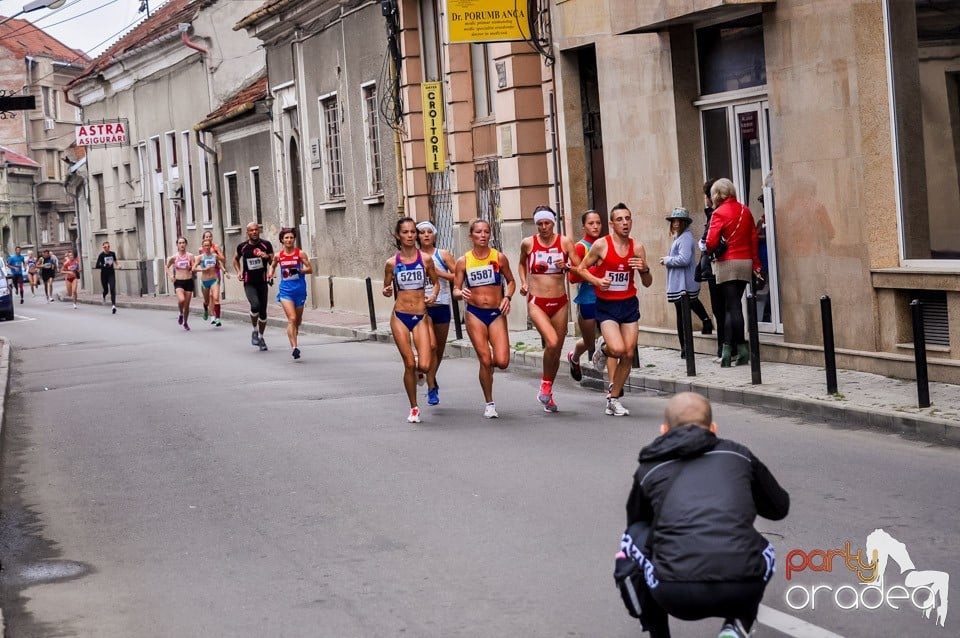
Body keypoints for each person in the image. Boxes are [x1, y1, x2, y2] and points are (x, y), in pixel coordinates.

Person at [622, 392, 789, 638]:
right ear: (713, 428)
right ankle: (738, 624)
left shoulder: (649, 467)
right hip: (741, 587)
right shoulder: (739, 454)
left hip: (675, 593)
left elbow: (636, 523)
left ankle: (658, 633)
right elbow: (778, 509)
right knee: (765, 549)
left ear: (664, 430)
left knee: (630, 539)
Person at [575, 203, 653, 417]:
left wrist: (645, 269)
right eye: (620, 219)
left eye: (628, 218)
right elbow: (580, 269)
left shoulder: (637, 247)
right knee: (617, 350)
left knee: (628, 353)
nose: (625, 223)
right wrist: (597, 281)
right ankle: (603, 349)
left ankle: (613, 399)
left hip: (628, 305)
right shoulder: (601, 245)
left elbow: (647, 282)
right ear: (611, 224)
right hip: (607, 306)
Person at [453, 218, 517, 419]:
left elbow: (511, 281)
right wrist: (460, 293)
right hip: (475, 313)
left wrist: (507, 297)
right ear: (470, 235)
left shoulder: (499, 258)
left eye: (486, 232)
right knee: (485, 359)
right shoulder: (463, 261)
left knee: (502, 361)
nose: (483, 235)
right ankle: (490, 403)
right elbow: (455, 288)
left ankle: (489, 367)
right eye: (478, 232)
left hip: (496, 313)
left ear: (490, 234)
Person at [517, 205, 579, 412]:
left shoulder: (565, 242)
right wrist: (524, 283)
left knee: (555, 350)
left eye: (547, 223)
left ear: (553, 222)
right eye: (539, 224)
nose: (543, 227)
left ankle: (548, 393)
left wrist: (568, 267)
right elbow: (521, 264)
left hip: (560, 302)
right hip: (537, 302)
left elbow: (579, 269)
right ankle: (544, 384)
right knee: (551, 341)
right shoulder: (528, 243)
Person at [383, 217, 439, 423]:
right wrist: (387, 290)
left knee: (423, 365)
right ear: (399, 235)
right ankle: (414, 407)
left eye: (412, 232)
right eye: (405, 232)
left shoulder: (425, 259)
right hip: (399, 315)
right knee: (409, 362)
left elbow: (435, 283)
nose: (409, 236)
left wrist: (433, 294)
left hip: (420, 315)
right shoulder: (391, 263)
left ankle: (421, 374)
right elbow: (386, 288)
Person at [705, 178, 761, 367]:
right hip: (745, 261)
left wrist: (709, 247)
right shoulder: (746, 210)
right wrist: (756, 264)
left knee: (732, 307)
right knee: (734, 304)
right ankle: (732, 349)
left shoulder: (718, 213)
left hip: (727, 262)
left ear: (716, 194)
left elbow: (711, 242)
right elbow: (753, 238)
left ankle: (736, 349)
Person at [659, 207, 713, 358]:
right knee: (689, 306)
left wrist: (667, 260)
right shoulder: (680, 237)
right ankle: (705, 323)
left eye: (679, 221)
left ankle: (686, 348)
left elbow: (684, 259)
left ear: (684, 223)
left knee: (682, 316)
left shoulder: (685, 238)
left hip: (683, 283)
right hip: (682, 282)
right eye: (674, 221)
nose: (675, 224)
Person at [416, 220, 456, 405]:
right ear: (417, 236)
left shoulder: (443, 254)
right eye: (422, 232)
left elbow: (458, 276)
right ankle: (431, 385)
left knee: (438, 349)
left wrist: (438, 273)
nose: (426, 235)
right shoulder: (412, 256)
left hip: (441, 304)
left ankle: (431, 378)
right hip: (421, 307)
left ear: (434, 235)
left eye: (429, 232)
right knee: (430, 346)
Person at [567, 210, 605, 381]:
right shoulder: (581, 247)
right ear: (583, 226)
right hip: (588, 300)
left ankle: (613, 388)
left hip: (606, 300)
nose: (595, 226)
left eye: (598, 222)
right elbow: (572, 277)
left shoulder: (605, 244)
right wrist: (594, 271)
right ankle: (574, 357)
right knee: (590, 344)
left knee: (609, 340)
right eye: (591, 223)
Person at [270, 227, 313, 359]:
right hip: (285, 291)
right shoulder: (278, 255)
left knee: (297, 321)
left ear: (294, 239)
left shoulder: (300, 254)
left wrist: (300, 271)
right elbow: (272, 266)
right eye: (286, 238)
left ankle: (294, 332)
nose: (289, 240)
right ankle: (294, 347)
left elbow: (310, 269)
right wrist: (270, 275)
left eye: (291, 237)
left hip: (299, 291)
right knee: (292, 318)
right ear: (282, 240)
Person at [233, 222, 275, 351]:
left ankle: (261, 338)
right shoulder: (243, 247)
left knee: (263, 313)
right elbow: (235, 259)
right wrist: (239, 272)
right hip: (249, 282)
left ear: (259, 231)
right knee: (255, 305)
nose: (254, 232)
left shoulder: (265, 245)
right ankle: (254, 330)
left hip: (262, 282)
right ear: (248, 233)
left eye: (256, 230)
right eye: (251, 230)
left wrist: (266, 256)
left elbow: (273, 261)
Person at [697, 179, 725, 360]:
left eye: (706, 196)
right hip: (717, 265)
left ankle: (724, 347)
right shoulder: (714, 214)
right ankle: (727, 346)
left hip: (717, 265)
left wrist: (704, 244)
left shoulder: (716, 214)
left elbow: (710, 240)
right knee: (724, 308)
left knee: (720, 308)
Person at [194, 238, 229, 327]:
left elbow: (219, 264)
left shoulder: (214, 256)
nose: (207, 247)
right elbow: (193, 268)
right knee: (206, 301)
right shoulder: (200, 257)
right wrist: (202, 269)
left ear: (211, 246)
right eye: (205, 246)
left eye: (208, 245)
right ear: (202, 247)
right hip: (205, 281)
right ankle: (206, 308)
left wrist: (225, 271)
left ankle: (217, 318)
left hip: (214, 279)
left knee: (216, 298)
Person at [166, 237, 195, 330]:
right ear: (177, 245)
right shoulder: (174, 257)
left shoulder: (190, 256)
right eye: (180, 243)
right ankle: (180, 313)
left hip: (189, 281)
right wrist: (171, 275)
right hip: (179, 281)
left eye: (183, 243)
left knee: (186, 306)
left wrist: (190, 267)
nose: (182, 244)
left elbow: (193, 268)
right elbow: (167, 267)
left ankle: (185, 322)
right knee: (181, 300)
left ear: (186, 244)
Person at [199, 230, 225, 322]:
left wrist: (216, 255)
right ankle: (212, 315)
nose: (208, 238)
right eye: (206, 237)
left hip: (216, 272)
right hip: (206, 275)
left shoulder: (216, 247)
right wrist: (203, 268)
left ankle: (215, 316)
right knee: (209, 297)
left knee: (214, 296)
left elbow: (222, 259)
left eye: (210, 236)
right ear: (203, 239)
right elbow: (201, 262)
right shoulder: (201, 249)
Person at [94, 240, 118, 313]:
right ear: (103, 248)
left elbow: (116, 261)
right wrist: (104, 265)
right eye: (106, 247)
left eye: (108, 246)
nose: (107, 248)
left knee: (112, 289)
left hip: (111, 273)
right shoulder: (101, 255)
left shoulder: (112, 254)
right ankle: (104, 296)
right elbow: (97, 265)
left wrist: (118, 265)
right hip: (104, 275)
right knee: (106, 290)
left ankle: (113, 305)